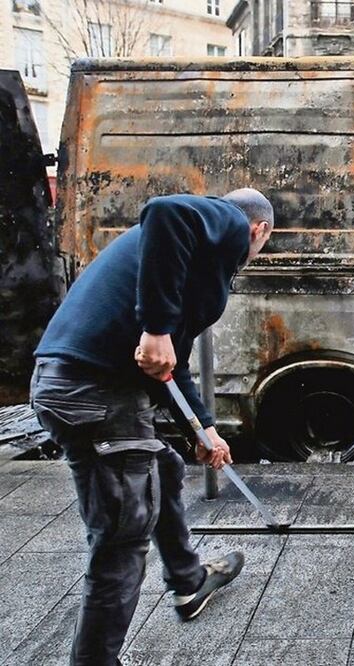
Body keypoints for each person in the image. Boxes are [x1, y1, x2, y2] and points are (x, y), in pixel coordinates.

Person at [30, 189, 274, 665]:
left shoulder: (183, 263)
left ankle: (188, 581)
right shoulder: (228, 222)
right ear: (260, 231)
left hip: (71, 384)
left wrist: (202, 430)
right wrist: (157, 327)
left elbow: (166, 365)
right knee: (122, 537)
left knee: (159, 464)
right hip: (94, 392)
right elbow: (167, 210)